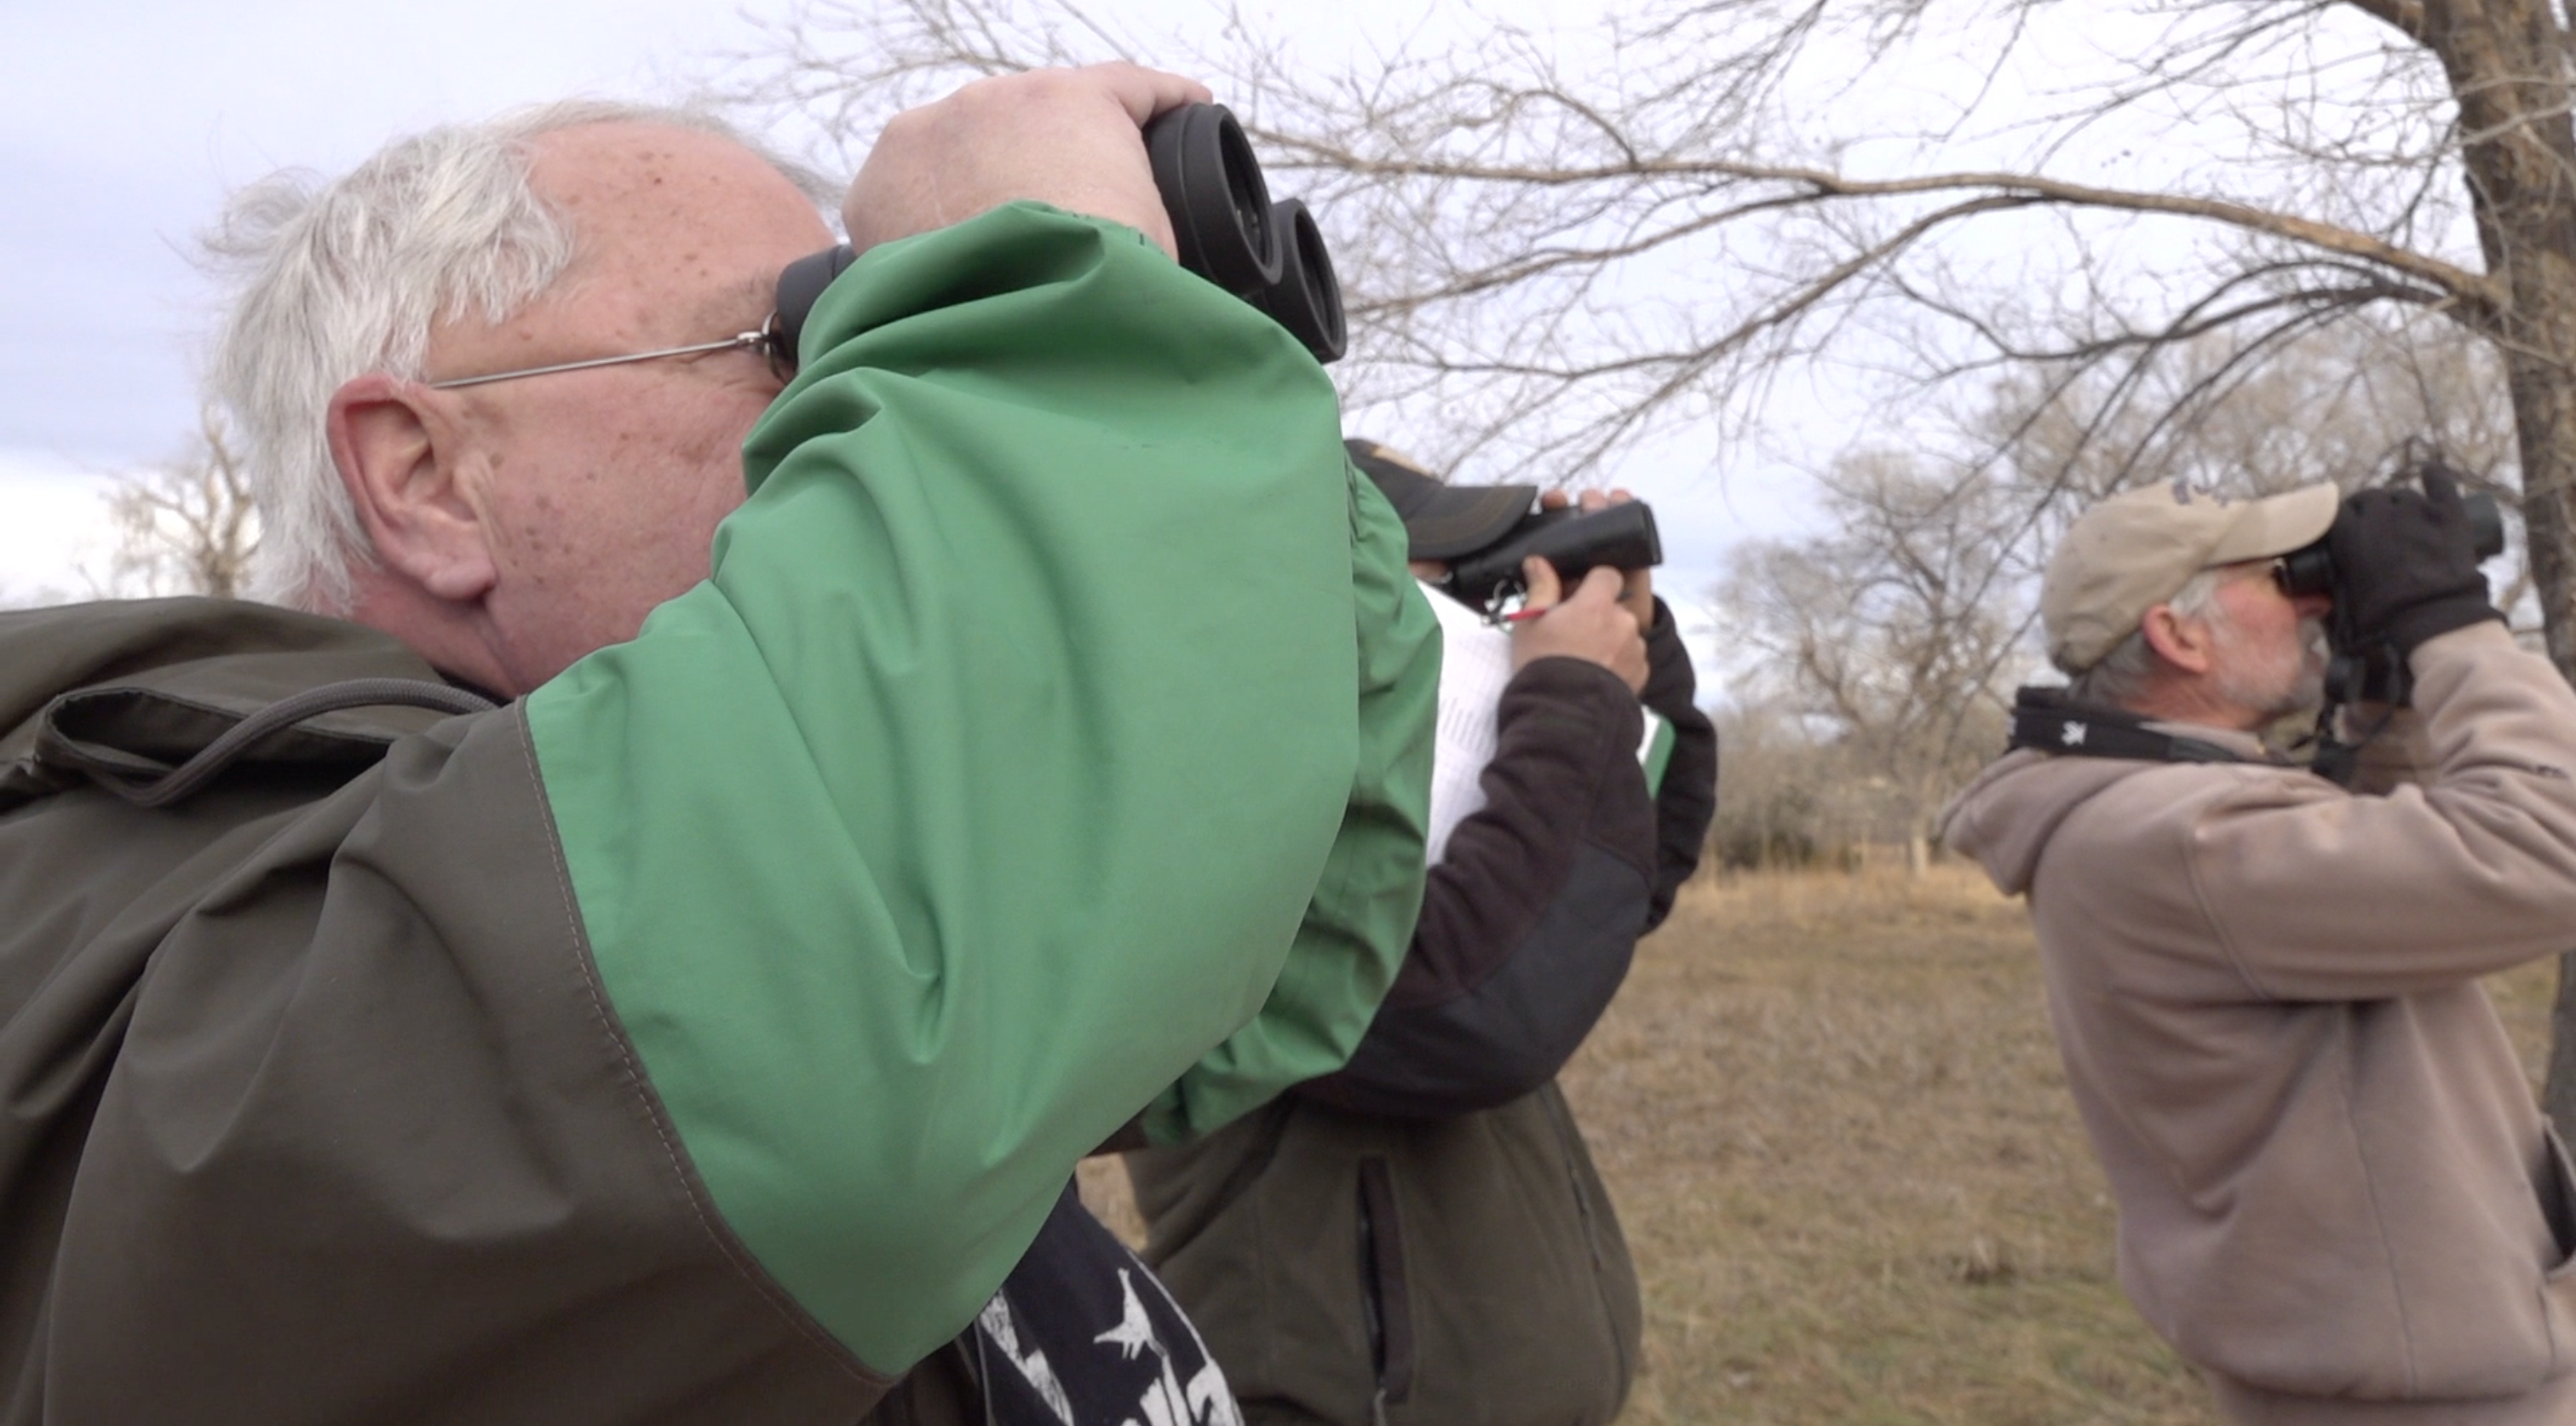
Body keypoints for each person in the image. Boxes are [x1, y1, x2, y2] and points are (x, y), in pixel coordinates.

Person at [0, 66, 1438, 1423]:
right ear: (429, 477)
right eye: (799, 343)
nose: (850, 413)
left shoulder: (812, 900)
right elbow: (805, 1061)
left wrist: (1170, 365)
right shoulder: (176, 906)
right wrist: (1032, 301)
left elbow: (1247, 910)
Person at [1940, 474, 2576, 1423]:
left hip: (2383, 1359)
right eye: (2281, 580)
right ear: (2179, 633)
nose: (2316, 597)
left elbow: (2390, 869)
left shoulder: (2140, 808)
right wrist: (2451, 624)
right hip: (2423, 1393)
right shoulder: (2181, 837)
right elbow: (2548, 844)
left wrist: (2380, 695)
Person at [1126, 440, 1718, 1426]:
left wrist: (1637, 666)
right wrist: (1572, 700)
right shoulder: (1203, 805)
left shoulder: (1372, 782)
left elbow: (1618, 886)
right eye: (1439, 585)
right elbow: (1477, 1007)